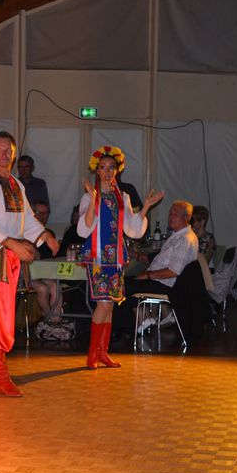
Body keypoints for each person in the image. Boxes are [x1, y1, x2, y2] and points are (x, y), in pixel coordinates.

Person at [0, 131, 58, 397]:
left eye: (8, 150)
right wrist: (12, 243)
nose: (3, 155)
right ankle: (1, 376)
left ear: (14, 153)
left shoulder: (16, 185)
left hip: (10, 255)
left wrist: (44, 235)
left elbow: (28, 219)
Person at [78, 145, 163, 368]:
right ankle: (92, 354)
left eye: (111, 167)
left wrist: (145, 207)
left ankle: (102, 352)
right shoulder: (90, 198)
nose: (107, 172)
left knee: (111, 304)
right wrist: (93, 199)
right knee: (103, 304)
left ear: (117, 170)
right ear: (97, 170)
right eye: (103, 167)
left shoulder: (122, 196)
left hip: (115, 257)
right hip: (97, 256)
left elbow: (133, 230)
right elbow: (83, 229)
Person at [119, 200, 199, 332]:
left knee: (120, 287)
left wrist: (147, 275)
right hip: (162, 281)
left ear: (186, 218)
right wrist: (137, 256)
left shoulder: (185, 239)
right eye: (170, 214)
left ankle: (128, 326)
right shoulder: (179, 235)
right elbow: (160, 258)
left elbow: (173, 271)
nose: (170, 217)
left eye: (175, 215)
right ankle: (143, 318)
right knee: (122, 283)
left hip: (168, 285)